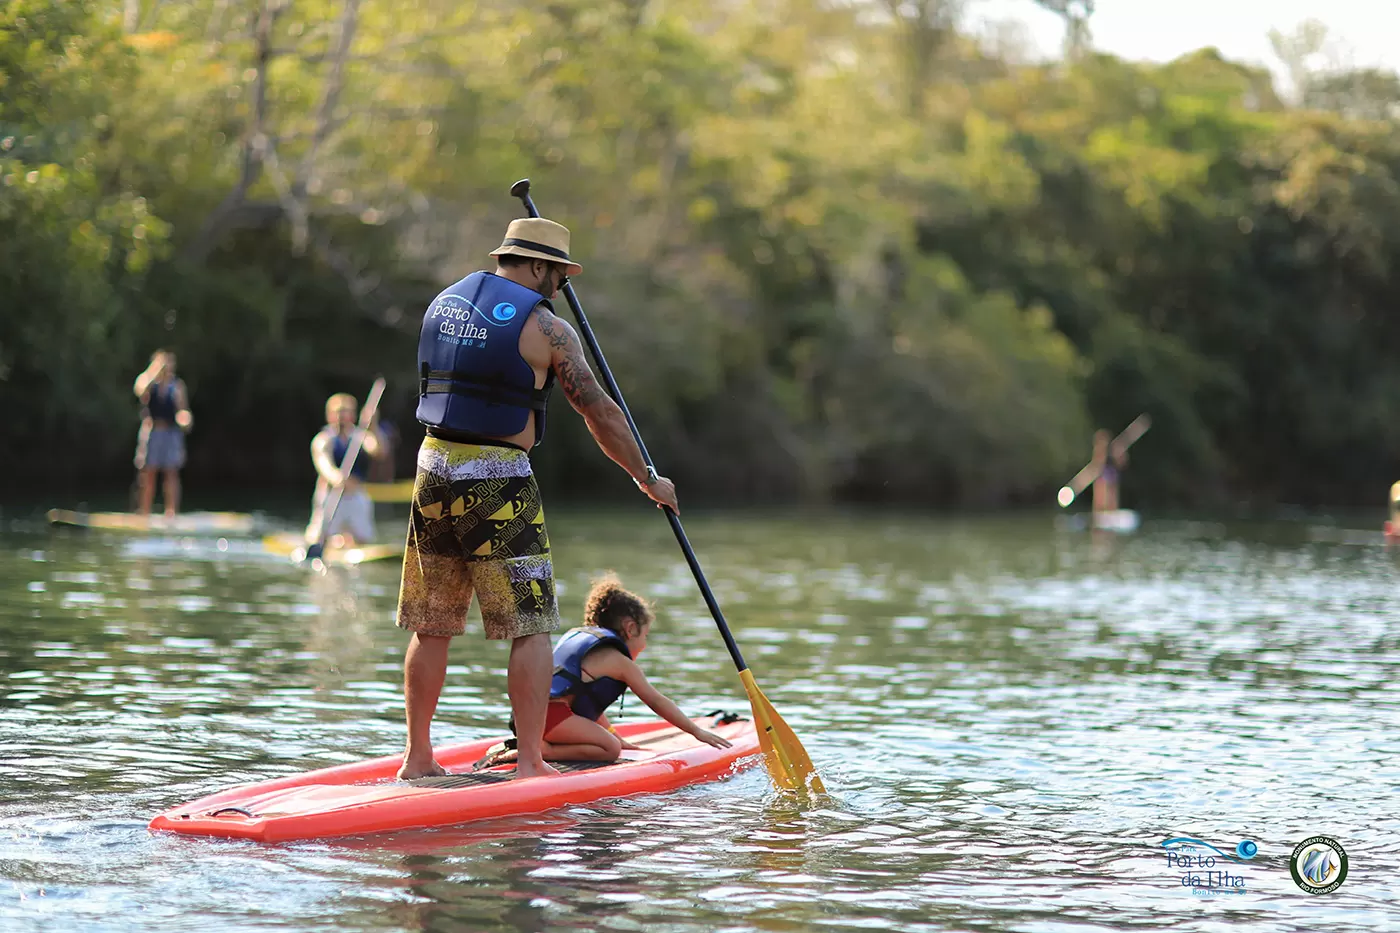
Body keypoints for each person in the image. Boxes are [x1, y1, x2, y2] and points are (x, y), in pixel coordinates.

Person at [395, 216, 679, 781]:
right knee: (530, 626)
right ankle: (529, 764)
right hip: (498, 478)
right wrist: (646, 477)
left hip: (431, 469)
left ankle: (417, 758)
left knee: (433, 625)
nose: (560, 286)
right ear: (540, 266)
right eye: (558, 274)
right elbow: (596, 410)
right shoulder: (548, 330)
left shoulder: (443, 304)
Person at [532, 575, 732, 762]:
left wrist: (620, 739)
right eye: (645, 635)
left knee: (612, 742)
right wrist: (696, 731)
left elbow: (588, 707)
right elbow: (656, 701)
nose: (644, 644)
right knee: (610, 749)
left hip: (529, 714)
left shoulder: (586, 646)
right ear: (630, 629)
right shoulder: (620, 663)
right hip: (551, 718)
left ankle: (536, 743)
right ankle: (545, 750)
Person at [306, 393, 383, 548]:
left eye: (346, 411)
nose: (342, 416)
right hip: (331, 494)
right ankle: (322, 542)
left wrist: (373, 425)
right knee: (319, 537)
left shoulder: (361, 437)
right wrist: (336, 478)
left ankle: (351, 544)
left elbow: (379, 451)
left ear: (353, 414)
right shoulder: (324, 439)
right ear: (330, 415)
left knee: (362, 536)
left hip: (356, 495)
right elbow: (323, 464)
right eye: (338, 411)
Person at [132, 349, 192, 518]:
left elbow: (182, 409)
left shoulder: (177, 386)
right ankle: (143, 513)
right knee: (148, 473)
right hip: (152, 431)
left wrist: (185, 419)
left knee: (171, 472)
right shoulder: (149, 381)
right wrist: (154, 370)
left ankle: (171, 513)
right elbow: (139, 389)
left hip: (171, 433)